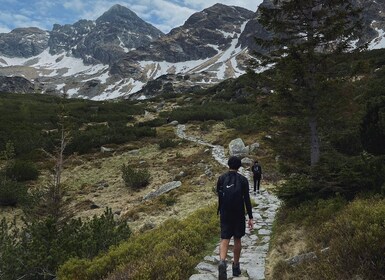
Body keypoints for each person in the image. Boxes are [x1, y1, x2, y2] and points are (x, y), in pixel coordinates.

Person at [216, 156, 253, 280]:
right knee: (237, 239)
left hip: (225, 213)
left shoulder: (221, 178)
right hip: (238, 213)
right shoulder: (243, 180)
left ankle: (222, 261)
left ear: (228, 165)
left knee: (224, 238)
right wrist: (250, 217)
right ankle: (235, 267)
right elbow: (246, 199)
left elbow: (219, 195)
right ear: (239, 166)